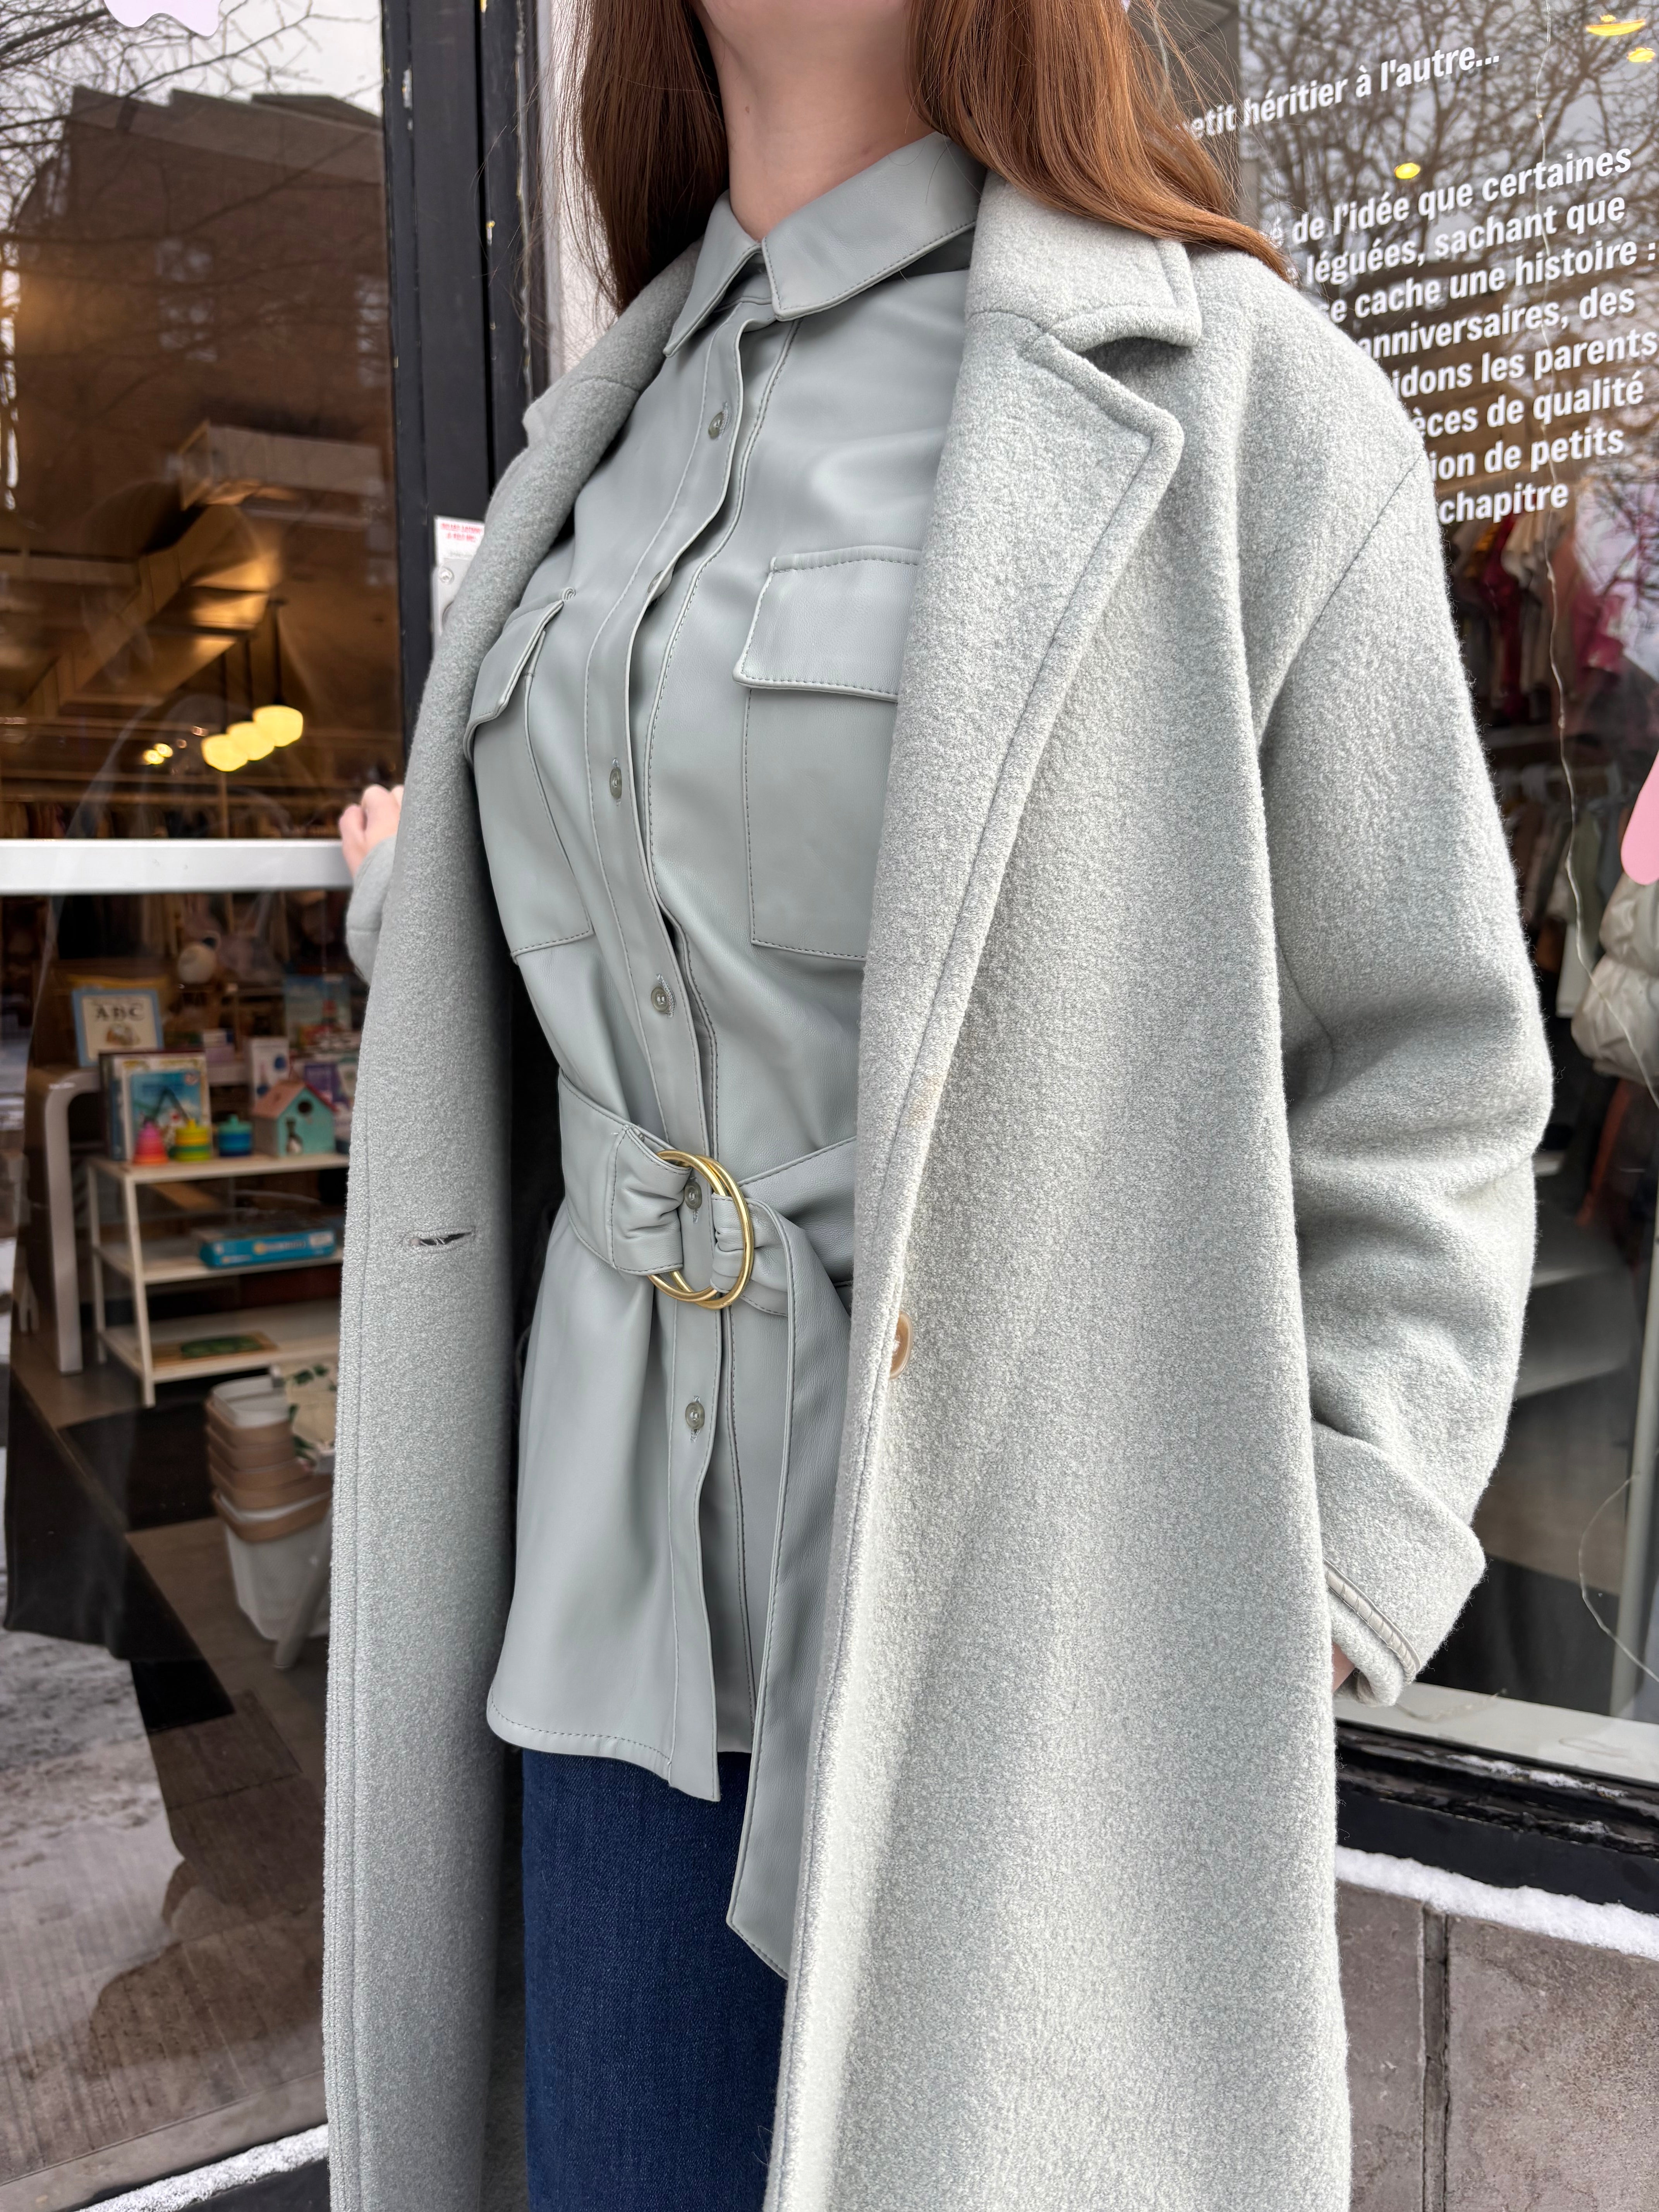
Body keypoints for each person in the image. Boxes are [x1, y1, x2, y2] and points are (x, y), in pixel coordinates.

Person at [326, 1, 1551, 2207]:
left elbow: (1431, 1067)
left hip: (1025, 1678)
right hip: (602, 1664)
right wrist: (408, 906)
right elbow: (652, 906)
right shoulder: (599, 442)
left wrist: (1318, 1580)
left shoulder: (1243, 403)